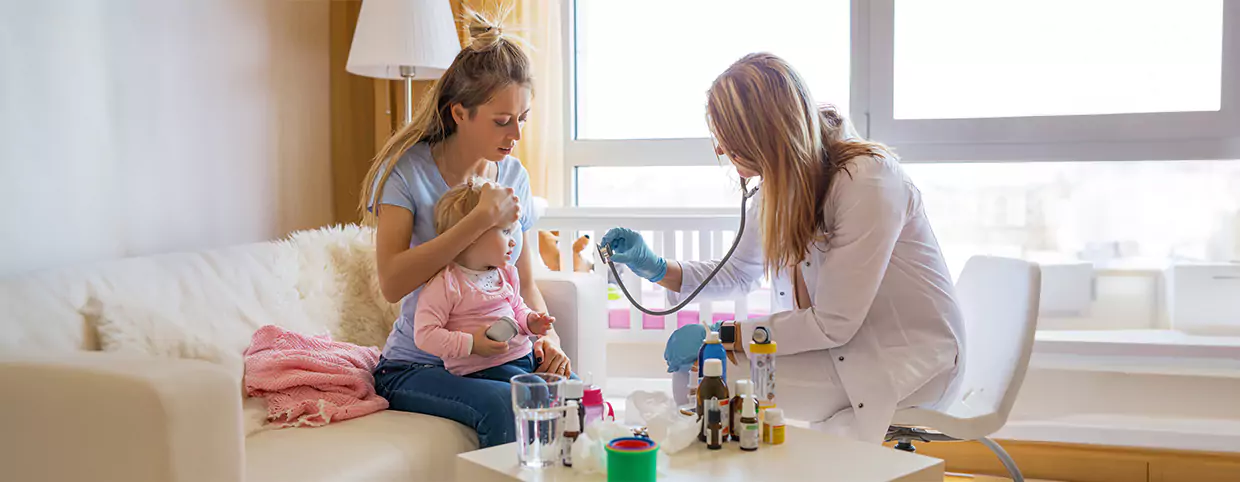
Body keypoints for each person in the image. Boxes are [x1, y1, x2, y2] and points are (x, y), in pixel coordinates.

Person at [601, 53, 964, 444]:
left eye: (728, 137)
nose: (721, 151)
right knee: (703, 373)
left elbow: (833, 322)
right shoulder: (781, 183)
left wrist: (720, 335)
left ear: (764, 135)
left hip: (904, 359)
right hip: (839, 348)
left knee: (709, 374)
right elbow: (739, 272)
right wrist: (655, 267)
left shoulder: (867, 182)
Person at [360, 8, 571, 448]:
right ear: (459, 112)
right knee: (501, 406)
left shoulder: (514, 176)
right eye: (501, 120)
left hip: (493, 359)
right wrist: (479, 219)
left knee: (569, 396)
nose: (515, 133)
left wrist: (547, 339)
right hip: (418, 366)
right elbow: (392, 281)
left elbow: (525, 283)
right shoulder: (407, 173)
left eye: (523, 118)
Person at [414, 177, 556, 380]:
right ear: (473, 235)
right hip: (484, 371)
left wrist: (529, 321)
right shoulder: (447, 284)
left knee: (572, 384)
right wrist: (471, 343)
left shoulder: (506, 273)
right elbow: (425, 334)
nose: (513, 241)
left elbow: (516, 308)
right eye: (506, 232)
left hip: (524, 357)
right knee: (536, 389)